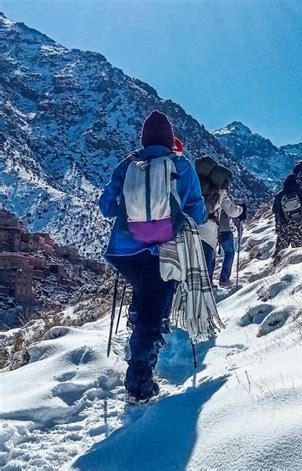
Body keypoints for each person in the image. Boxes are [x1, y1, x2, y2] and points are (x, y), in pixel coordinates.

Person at [99, 110, 207, 402]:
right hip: (165, 249)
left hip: (124, 252)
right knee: (153, 312)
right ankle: (140, 385)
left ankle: (139, 330)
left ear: (144, 139)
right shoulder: (181, 165)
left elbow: (106, 207)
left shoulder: (127, 165)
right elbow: (197, 212)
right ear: (170, 139)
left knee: (145, 296)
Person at [195, 156, 243, 285]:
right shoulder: (219, 190)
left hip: (189, 228)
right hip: (210, 231)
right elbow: (232, 211)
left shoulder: (191, 184)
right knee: (210, 260)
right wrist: (241, 210)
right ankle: (211, 286)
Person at [272, 174, 302, 257]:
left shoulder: (279, 194)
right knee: (298, 247)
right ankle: (297, 263)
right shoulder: (299, 190)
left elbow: (274, 210)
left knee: (281, 248)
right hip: (297, 222)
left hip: (283, 224)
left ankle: (276, 264)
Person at [218, 199, 246, 287]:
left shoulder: (208, 196)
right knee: (229, 253)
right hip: (225, 231)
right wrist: (239, 228)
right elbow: (233, 214)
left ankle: (208, 280)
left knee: (210, 255)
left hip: (212, 230)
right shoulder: (224, 199)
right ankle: (224, 278)